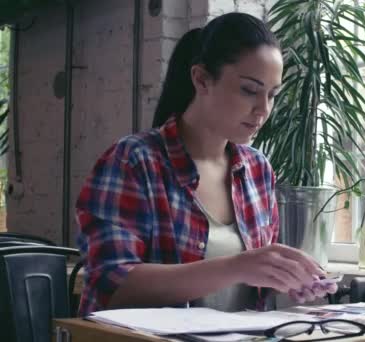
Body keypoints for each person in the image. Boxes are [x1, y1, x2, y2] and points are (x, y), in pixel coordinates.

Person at [76, 12, 337, 317]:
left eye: (272, 95)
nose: (263, 109)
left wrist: (291, 280)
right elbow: (112, 286)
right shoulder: (135, 161)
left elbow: (253, 290)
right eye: (249, 90)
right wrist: (236, 267)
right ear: (201, 79)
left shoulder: (257, 170)